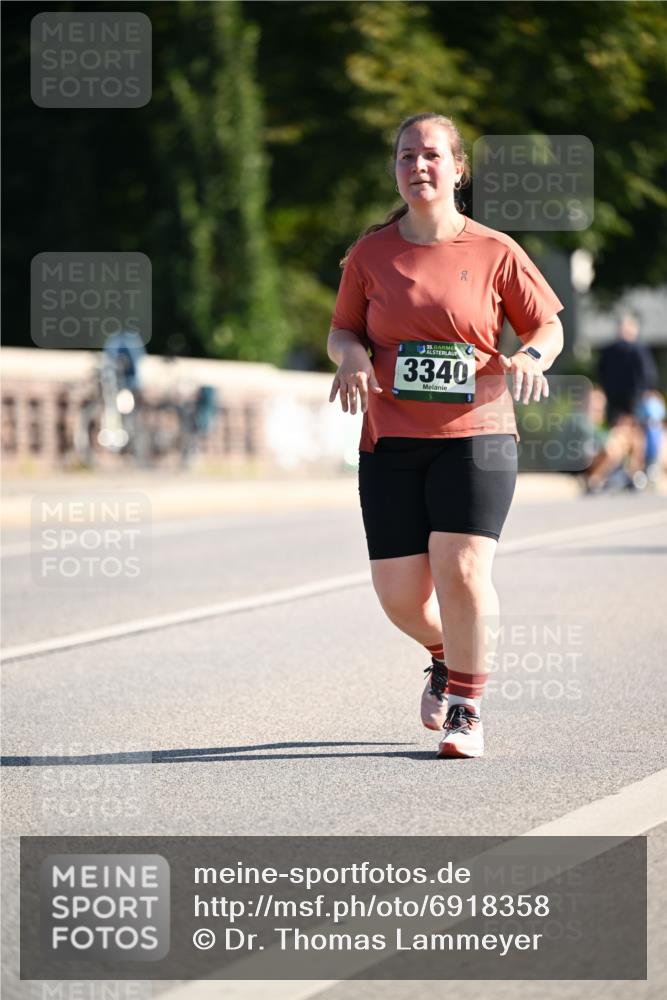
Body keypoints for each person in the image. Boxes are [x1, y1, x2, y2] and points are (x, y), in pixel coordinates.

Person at [327, 113, 564, 759]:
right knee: (399, 597)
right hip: (390, 441)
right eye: (406, 156)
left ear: (457, 168)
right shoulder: (371, 253)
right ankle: (441, 653)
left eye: (431, 155)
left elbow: (546, 327)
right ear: (395, 168)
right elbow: (342, 329)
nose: (417, 166)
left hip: (477, 435)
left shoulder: (494, 250)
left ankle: (465, 706)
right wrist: (349, 357)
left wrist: (530, 359)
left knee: (460, 569)